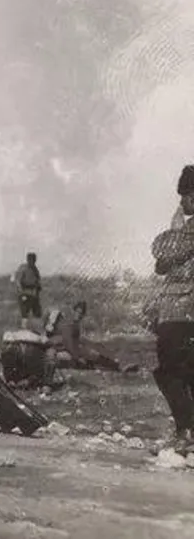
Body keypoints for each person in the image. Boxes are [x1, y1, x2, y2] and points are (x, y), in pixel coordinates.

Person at [146, 164, 194, 454]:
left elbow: (163, 251)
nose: (182, 203)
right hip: (179, 310)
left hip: (181, 311)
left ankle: (186, 431)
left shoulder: (186, 230)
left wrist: (174, 228)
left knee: (169, 372)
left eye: (186, 196)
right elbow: (161, 262)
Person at [45, 301, 137, 373]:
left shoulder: (73, 323)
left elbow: (73, 340)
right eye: (77, 312)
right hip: (64, 347)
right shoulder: (69, 323)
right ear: (73, 311)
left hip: (70, 347)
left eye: (81, 313)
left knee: (95, 352)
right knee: (92, 356)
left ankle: (117, 366)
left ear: (83, 315)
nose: (79, 315)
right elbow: (68, 341)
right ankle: (118, 367)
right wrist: (77, 357)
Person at [14, 252, 44, 330]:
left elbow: (38, 280)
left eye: (34, 260)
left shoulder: (35, 269)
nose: (32, 262)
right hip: (25, 294)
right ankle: (24, 331)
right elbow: (18, 282)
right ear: (28, 260)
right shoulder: (23, 268)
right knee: (25, 314)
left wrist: (38, 289)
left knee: (37, 313)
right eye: (31, 260)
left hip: (34, 294)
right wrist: (22, 294)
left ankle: (36, 329)